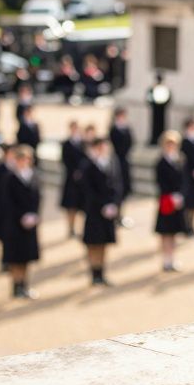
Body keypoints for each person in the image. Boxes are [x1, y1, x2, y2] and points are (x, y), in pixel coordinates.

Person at [0, 145, 41, 299]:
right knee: (16, 257)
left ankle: (25, 285)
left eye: (27, 159)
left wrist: (34, 215)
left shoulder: (34, 176)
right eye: (21, 159)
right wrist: (21, 216)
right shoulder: (9, 178)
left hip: (30, 223)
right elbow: (7, 202)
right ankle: (16, 286)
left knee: (27, 256)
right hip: (14, 224)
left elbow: (38, 198)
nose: (24, 161)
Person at [80, 137, 121, 286]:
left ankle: (102, 272)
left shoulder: (111, 163)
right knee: (93, 243)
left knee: (104, 242)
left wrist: (114, 204)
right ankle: (94, 272)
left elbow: (117, 185)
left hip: (109, 210)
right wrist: (103, 205)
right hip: (94, 210)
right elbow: (88, 190)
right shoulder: (88, 166)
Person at [154, 131, 185, 272]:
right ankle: (165, 259)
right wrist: (171, 196)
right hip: (166, 200)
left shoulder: (180, 160)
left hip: (177, 199)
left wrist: (181, 195)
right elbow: (160, 182)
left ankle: (172, 258)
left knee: (173, 232)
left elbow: (184, 180)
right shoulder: (161, 162)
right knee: (165, 232)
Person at [109, 109, 134, 227]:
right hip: (117, 162)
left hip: (125, 162)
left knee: (124, 190)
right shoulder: (113, 129)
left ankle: (120, 214)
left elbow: (130, 143)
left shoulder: (127, 129)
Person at [59, 121, 85, 238]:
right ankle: (70, 228)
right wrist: (74, 171)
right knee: (71, 206)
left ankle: (79, 228)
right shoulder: (66, 144)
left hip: (82, 180)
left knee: (81, 206)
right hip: (70, 179)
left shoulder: (83, 143)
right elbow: (64, 160)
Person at [146, 72, 171, 145]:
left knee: (162, 124)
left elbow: (169, 98)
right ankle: (154, 139)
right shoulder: (153, 88)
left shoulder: (165, 88)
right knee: (154, 124)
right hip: (155, 109)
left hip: (162, 109)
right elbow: (149, 97)